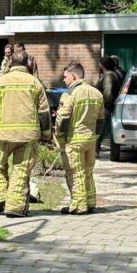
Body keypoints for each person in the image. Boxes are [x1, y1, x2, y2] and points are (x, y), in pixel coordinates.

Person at [0, 51, 51, 217]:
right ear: (28, 64)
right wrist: (46, 134)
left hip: (3, 135)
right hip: (28, 136)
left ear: (10, 62)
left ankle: (1, 199)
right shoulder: (35, 83)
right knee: (21, 169)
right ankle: (15, 208)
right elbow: (44, 113)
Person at [55, 62, 104, 215]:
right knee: (88, 172)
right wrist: (95, 136)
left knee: (76, 173)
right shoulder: (97, 93)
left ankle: (79, 206)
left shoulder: (70, 94)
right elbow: (101, 120)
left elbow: (63, 118)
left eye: (65, 77)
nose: (64, 79)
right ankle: (90, 202)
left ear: (74, 76)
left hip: (74, 140)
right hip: (90, 140)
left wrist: (59, 136)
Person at [95, 57, 121, 156]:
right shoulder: (110, 74)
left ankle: (94, 151)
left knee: (99, 129)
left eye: (99, 64)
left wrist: (104, 105)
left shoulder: (109, 76)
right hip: (106, 106)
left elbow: (108, 93)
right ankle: (95, 150)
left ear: (103, 65)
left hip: (105, 107)